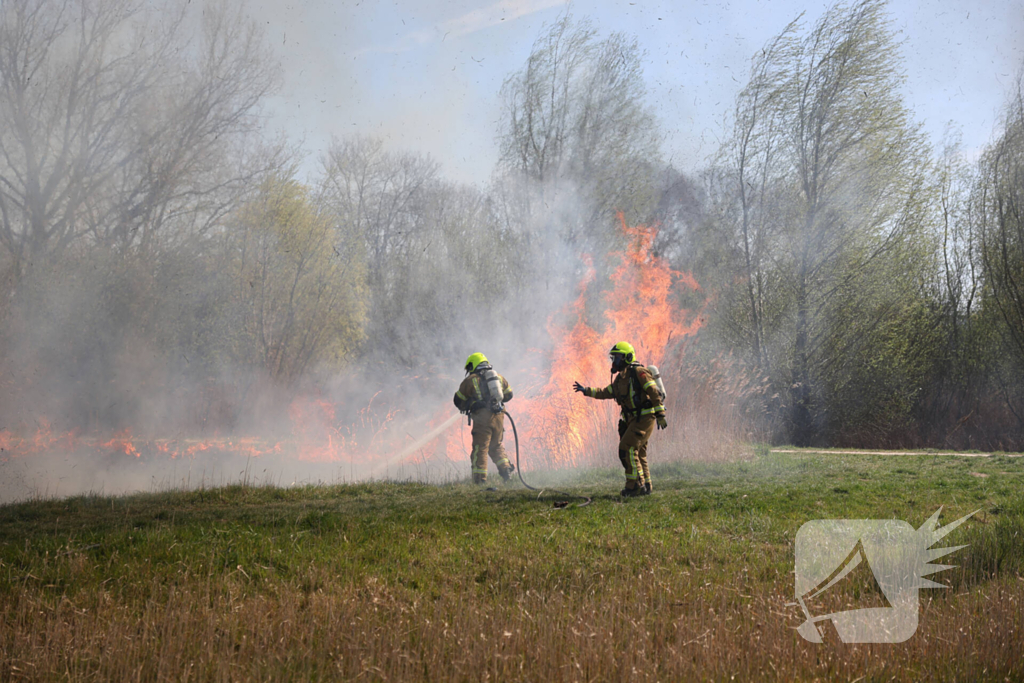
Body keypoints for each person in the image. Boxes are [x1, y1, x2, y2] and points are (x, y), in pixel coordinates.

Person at [573, 341, 667, 497]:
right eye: (613, 358)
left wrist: (661, 414)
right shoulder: (620, 379)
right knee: (639, 452)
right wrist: (586, 390)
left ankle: (635, 486)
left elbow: (653, 391)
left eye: (617, 357)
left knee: (627, 447)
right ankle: (647, 486)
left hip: (644, 417)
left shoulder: (639, 372)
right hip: (633, 419)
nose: (614, 361)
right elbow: (606, 392)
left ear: (627, 357)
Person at [453, 353, 516, 484]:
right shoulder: (498, 377)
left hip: (483, 419)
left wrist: (472, 403)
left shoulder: (471, 380)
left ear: (472, 365)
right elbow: (509, 395)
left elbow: (458, 400)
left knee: (480, 449)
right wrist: (495, 401)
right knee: (496, 445)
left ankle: (479, 480)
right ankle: (506, 471)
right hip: (499, 417)